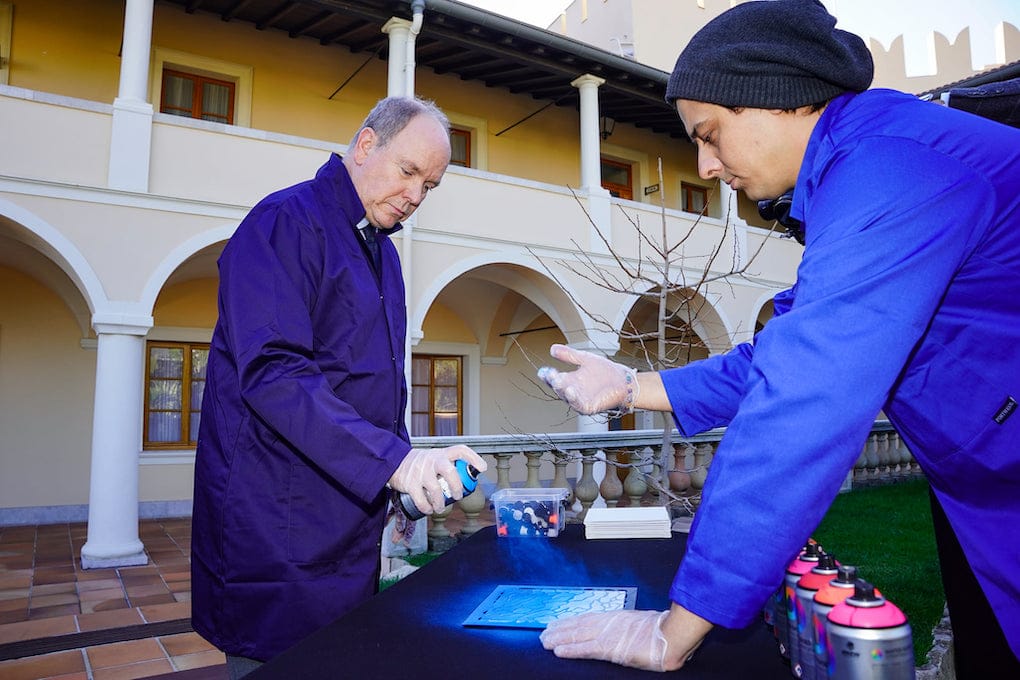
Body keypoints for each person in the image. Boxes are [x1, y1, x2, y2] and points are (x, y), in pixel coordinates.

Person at [537, 0, 1020, 674]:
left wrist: (675, 629)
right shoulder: (858, 162)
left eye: (710, 134)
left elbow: (802, 400)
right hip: (984, 485)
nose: (705, 166)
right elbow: (780, 353)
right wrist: (628, 384)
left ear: (780, 98)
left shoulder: (889, 168)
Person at [191, 96, 487, 678]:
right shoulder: (284, 222)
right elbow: (273, 373)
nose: (415, 197)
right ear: (366, 144)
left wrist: (404, 481)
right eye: (409, 173)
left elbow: (376, 383)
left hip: (348, 519)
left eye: (430, 186)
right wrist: (392, 464)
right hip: (276, 517)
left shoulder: (383, 254)